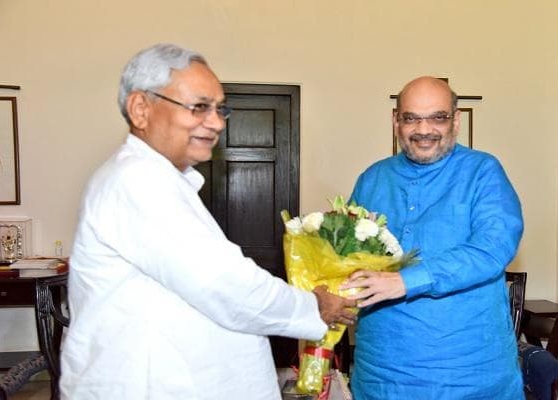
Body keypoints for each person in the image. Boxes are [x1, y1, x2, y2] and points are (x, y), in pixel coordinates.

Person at [59, 43, 357, 400]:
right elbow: (226, 286)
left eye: (219, 109)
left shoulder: (156, 179)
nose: (216, 123)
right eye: (199, 107)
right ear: (141, 109)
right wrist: (314, 307)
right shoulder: (138, 180)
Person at [340, 76, 524, 399]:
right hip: (381, 374)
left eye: (437, 117)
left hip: (468, 374)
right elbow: (345, 255)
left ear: (455, 120)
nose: (423, 129)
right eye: (411, 118)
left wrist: (405, 281)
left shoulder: (483, 171)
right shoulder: (372, 179)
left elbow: (492, 248)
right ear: (396, 121)